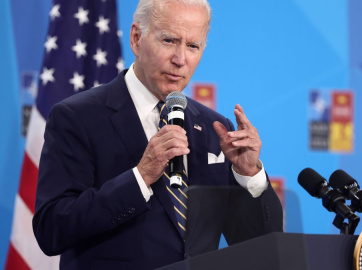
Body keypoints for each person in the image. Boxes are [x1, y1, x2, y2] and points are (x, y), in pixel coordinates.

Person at [32, 0, 283, 269]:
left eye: (192, 46)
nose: (180, 59)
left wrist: (249, 176)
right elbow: (51, 229)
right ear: (137, 38)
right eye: (169, 40)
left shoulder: (215, 128)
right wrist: (140, 178)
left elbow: (257, 243)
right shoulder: (77, 117)